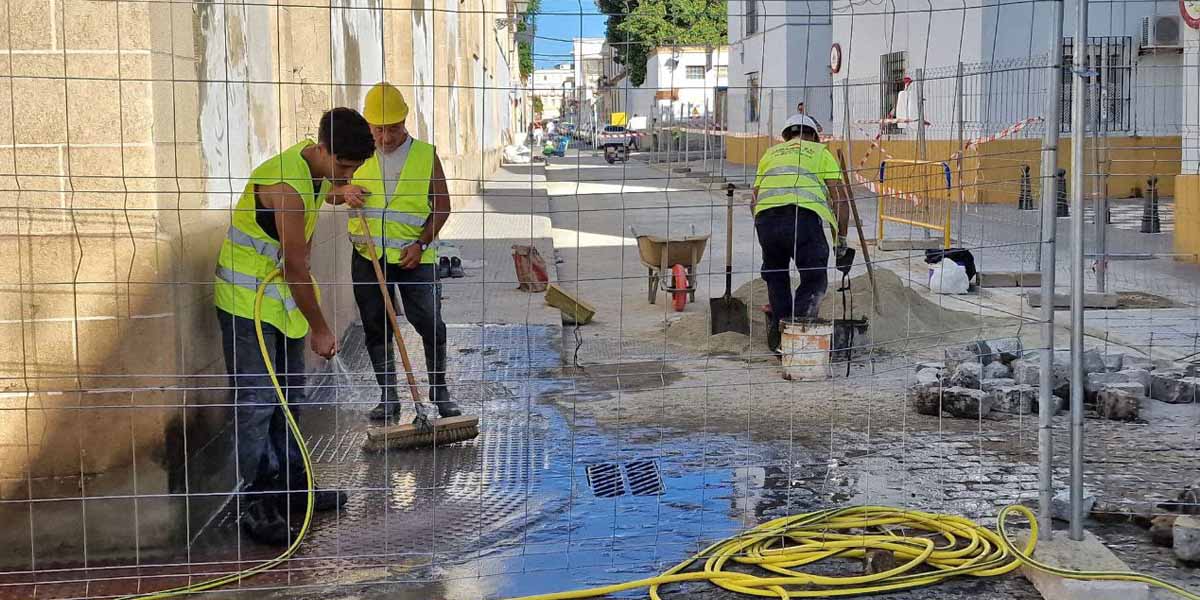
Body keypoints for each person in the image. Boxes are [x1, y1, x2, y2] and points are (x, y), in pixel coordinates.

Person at [213, 107, 375, 545]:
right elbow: (296, 268)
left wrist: (343, 192)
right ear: (322, 147)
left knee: (290, 398)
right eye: (343, 165)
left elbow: (323, 191)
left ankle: (293, 489)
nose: (348, 172)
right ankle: (257, 501)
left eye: (355, 166)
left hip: (279, 307)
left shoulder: (314, 169)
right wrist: (321, 328)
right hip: (247, 305)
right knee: (258, 402)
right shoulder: (285, 186)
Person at [346, 82, 462, 422]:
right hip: (368, 258)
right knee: (375, 326)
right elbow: (329, 192)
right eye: (378, 130)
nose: (385, 138)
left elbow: (442, 206)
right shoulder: (357, 155)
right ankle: (388, 398)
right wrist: (345, 191)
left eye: (392, 129)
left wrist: (422, 243)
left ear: (405, 121)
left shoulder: (425, 155)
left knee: (430, 323)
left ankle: (439, 392)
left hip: (415, 258)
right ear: (369, 126)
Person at [751, 113, 850, 354]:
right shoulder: (820, 153)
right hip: (803, 219)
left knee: (776, 277)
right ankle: (801, 336)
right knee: (813, 277)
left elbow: (754, 199)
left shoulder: (770, 154)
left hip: (766, 220)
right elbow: (840, 200)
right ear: (814, 136)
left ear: (786, 137)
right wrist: (841, 240)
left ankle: (780, 337)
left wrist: (766, 227)